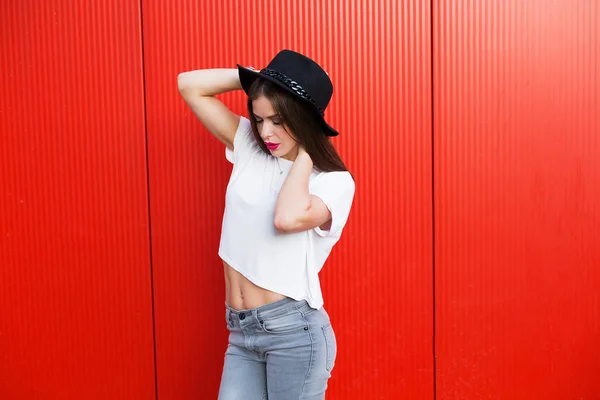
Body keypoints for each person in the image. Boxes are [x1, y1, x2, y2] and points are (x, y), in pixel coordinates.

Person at [177, 49, 355, 399]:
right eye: (258, 120)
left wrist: (306, 148)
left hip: (293, 333)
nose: (265, 132)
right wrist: (259, 78)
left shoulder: (333, 181)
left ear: (303, 120)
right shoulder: (250, 147)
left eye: (277, 120)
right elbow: (189, 85)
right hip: (241, 333)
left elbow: (286, 218)